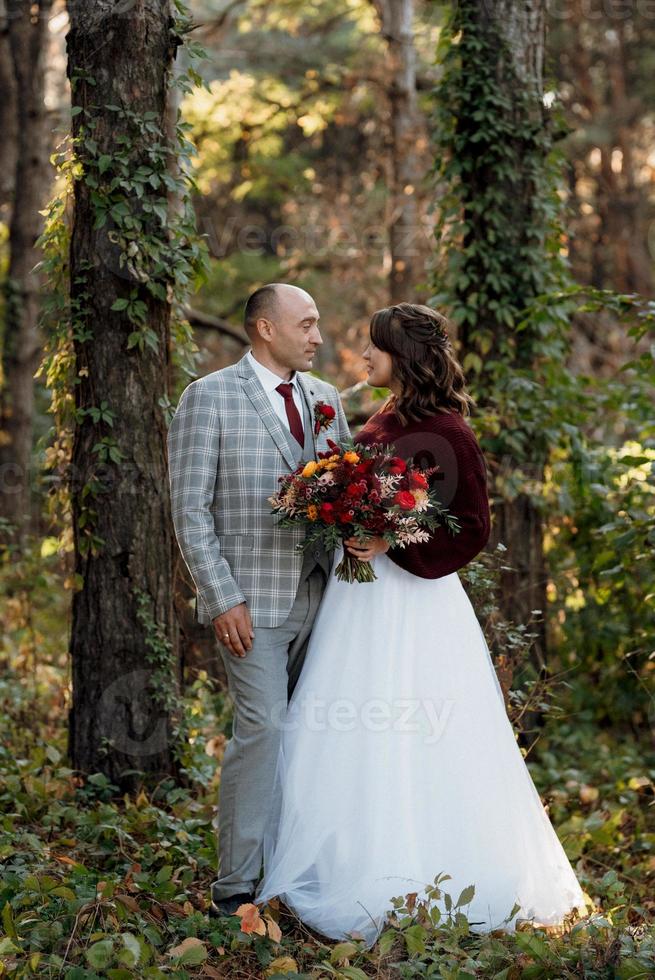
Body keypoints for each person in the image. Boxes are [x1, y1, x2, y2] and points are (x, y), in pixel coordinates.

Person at [255, 303, 587, 944]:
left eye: (372, 347)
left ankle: (436, 872)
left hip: (415, 603)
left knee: (419, 725)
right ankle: (348, 857)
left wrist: (391, 542)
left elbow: (471, 526)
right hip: (359, 603)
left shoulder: (449, 431)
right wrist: (344, 517)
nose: (362, 357)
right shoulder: (381, 419)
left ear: (401, 356)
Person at [167, 283, 351, 916]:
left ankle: (296, 868)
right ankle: (235, 887)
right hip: (251, 606)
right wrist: (221, 598)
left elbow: (342, 489)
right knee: (264, 728)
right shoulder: (208, 397)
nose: (318, 337)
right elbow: (190, 511)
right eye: (307, 324)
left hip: (325, 600)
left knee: (313, 734)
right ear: (265, 329)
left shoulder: (325, 400)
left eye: (318, 323)